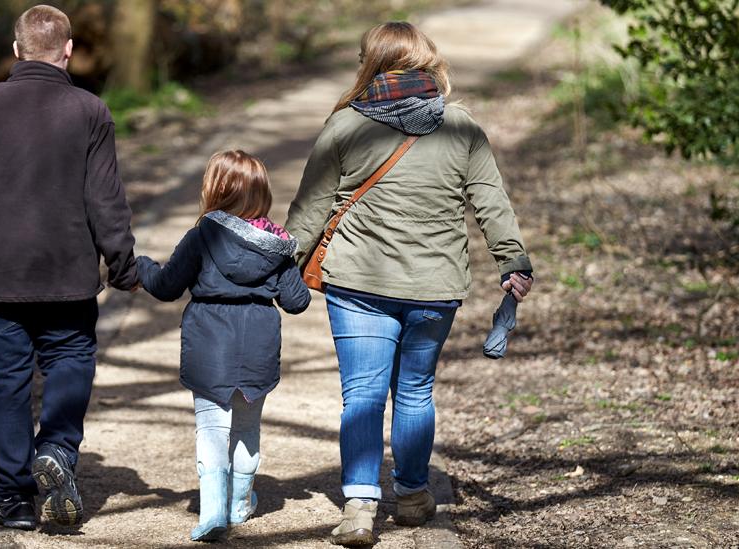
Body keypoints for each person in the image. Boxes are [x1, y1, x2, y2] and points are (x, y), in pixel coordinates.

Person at [285, 21, 534, 546]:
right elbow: (491, 202)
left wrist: (277, 268)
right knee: (415, 391)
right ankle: (414, 494)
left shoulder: (345, 125)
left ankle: (358, 505)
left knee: (362, 394)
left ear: (369, 65)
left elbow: (309, 212)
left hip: (357, 283)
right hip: (434, 284)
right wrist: (513, 262)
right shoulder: (461, 126)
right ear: (429, 62)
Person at [0, 5, 138, 531]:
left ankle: (11, 499)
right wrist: (122, 262)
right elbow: (105, 201)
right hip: (67, 275)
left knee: (4, 384)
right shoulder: (90, 111)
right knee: (71, 360)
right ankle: (58, 447)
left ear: (17, 48)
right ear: (67, 51)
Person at [136, 150, 311, 542]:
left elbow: (167, 286)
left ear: (215, 189)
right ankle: (239, 503)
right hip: (258, 344)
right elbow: (297, 302)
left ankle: (213, 510)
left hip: (209, 341)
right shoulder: (277, 244)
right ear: (262, 193)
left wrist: (142, 267)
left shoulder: (204, 234)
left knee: (212, 428)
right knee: (247, 426)